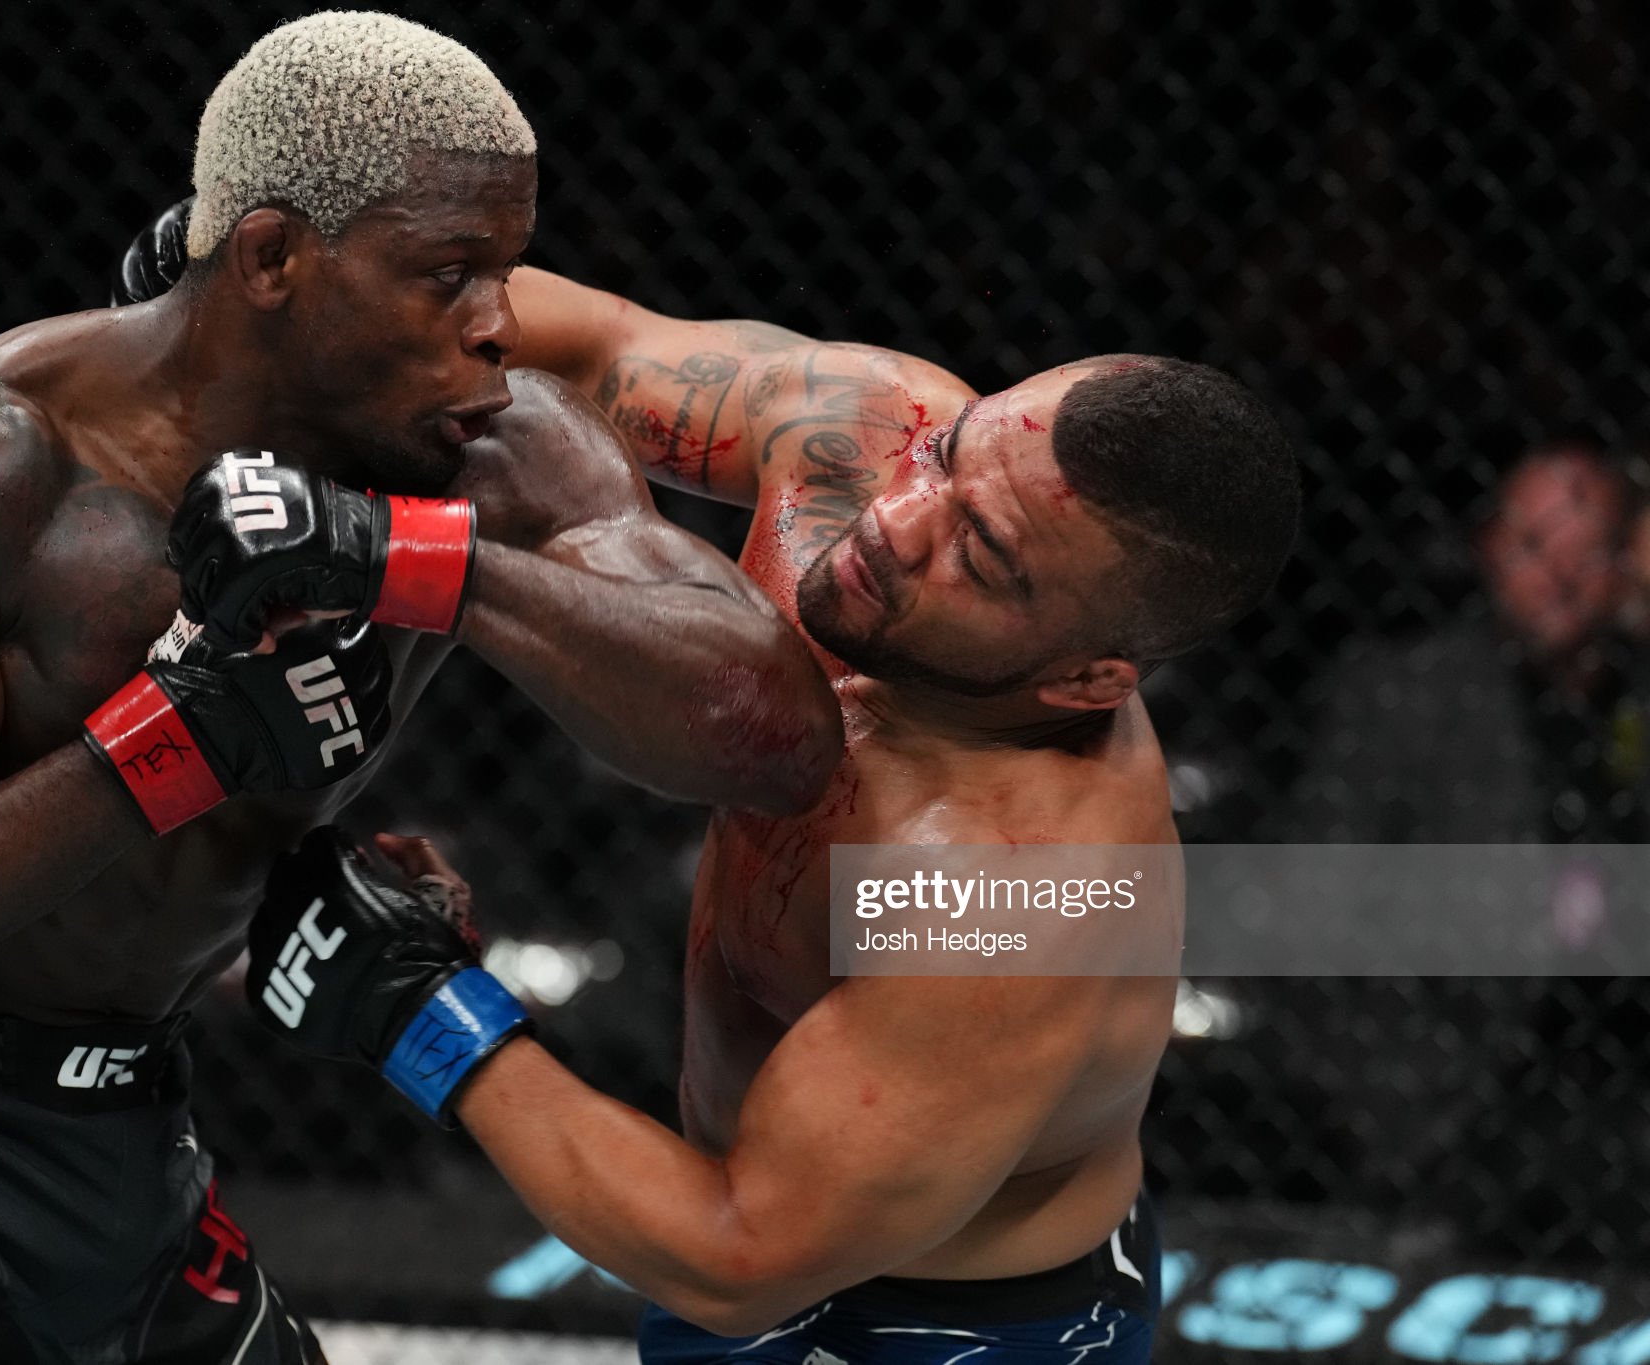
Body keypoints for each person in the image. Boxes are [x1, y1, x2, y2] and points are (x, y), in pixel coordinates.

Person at [0, 15, 841, 1365]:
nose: (500, 324)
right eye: (448, 274)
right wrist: (177, 742)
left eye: (504, 268)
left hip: (128, 1135)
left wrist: (404, 558)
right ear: (270, 260)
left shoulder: (484, 456)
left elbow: (775, 736)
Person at [238, 269, 1304, 1362]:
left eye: (979, 553)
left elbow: (733, 1256)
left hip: (947, 1324)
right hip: (762, 1218)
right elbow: (587, 347)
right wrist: (263, 308)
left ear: (1086, 680)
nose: (896, 519)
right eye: (945, 455)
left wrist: (417, 1005)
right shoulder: (874, 424)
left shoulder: (1005, 899)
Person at [1290, 443, 1645, 843]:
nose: (1559, 575)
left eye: (1587, 551)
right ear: (1489, 545)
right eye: (1533, 545)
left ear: (1625, 560)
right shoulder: (1398, 693)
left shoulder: (1633, 689)